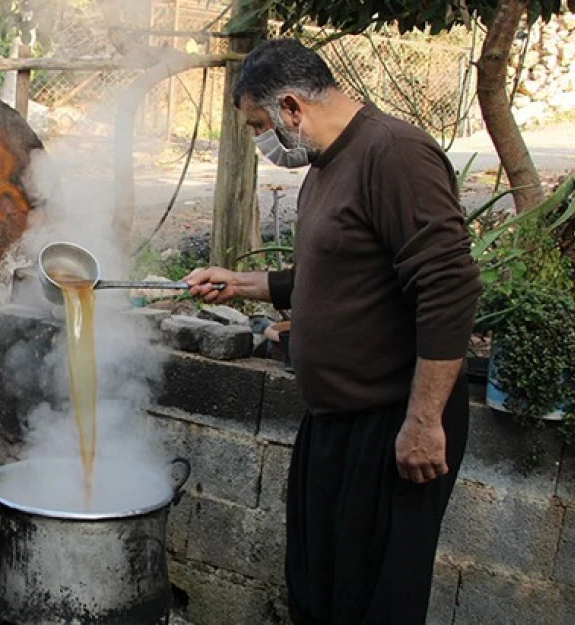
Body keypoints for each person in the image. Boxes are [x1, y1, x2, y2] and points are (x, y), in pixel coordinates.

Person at [184, 39, 481, 625]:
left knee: (372, 601)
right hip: (334, 421)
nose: (261, 141)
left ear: (291, 107)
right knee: (318, 590)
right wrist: (243, 284)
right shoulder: (325, 167)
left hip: (391, 423)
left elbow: (448, 287)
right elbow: (335, 273)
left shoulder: (394, 154)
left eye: (259, 126)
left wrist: (422, 423)